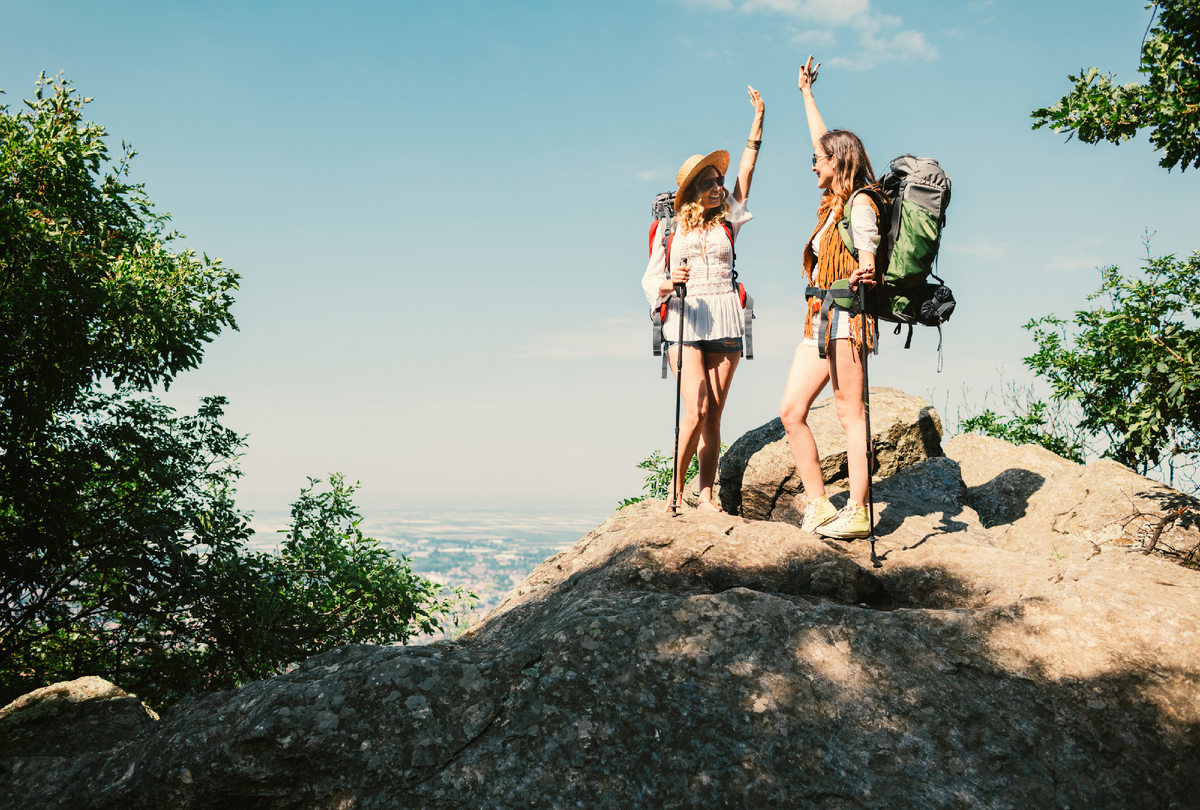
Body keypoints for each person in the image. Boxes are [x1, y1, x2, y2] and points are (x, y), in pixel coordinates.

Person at [642, 86, 765, 513]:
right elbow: (649, 280)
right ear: (693, 189)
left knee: (714, 414)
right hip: (683, 317)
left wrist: (757, 123)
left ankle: (706, 495)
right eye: (710, 183)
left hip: (727, 316)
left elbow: (746, 173)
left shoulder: (728, 220)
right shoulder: (669, 230)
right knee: (693, 409)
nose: (718, 187)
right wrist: (667, 282)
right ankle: (675, 494)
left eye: (719, 181)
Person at [779, 56, 881, 539]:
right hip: (817, 321)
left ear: (837, 163)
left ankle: (859, 511)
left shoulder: (860, 203)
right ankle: (819, 505)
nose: (812, 163)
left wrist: (868, 267)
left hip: (846, 318)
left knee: (848, 414)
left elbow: (868, 258)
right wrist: (806, 95)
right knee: (791, 411)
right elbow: (824, 141)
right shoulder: (832, 202)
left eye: (818, 160)